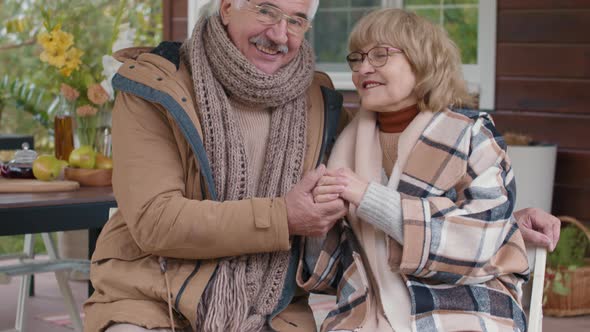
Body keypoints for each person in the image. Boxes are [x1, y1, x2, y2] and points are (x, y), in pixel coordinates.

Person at [84, 1, 560, 331]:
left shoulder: (322, 105)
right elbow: (155, 221)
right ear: (226, 5)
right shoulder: (157, 88)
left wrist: (504, 225)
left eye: (296, 20)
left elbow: (371, 212)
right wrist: (288, 217)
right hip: (154, 293)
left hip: (269, 305)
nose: (279, 33)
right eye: (266, 10)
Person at [304, 8, 534, 332]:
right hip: (366, 314)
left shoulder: (472, 134)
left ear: (423, 61)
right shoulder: (344, 147)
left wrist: (369, 198)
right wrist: (320, 219)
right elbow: (325, 273)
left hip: (464, 311)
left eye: (380, 55)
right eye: (357, 58)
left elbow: (481, 238)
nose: (363, 68)